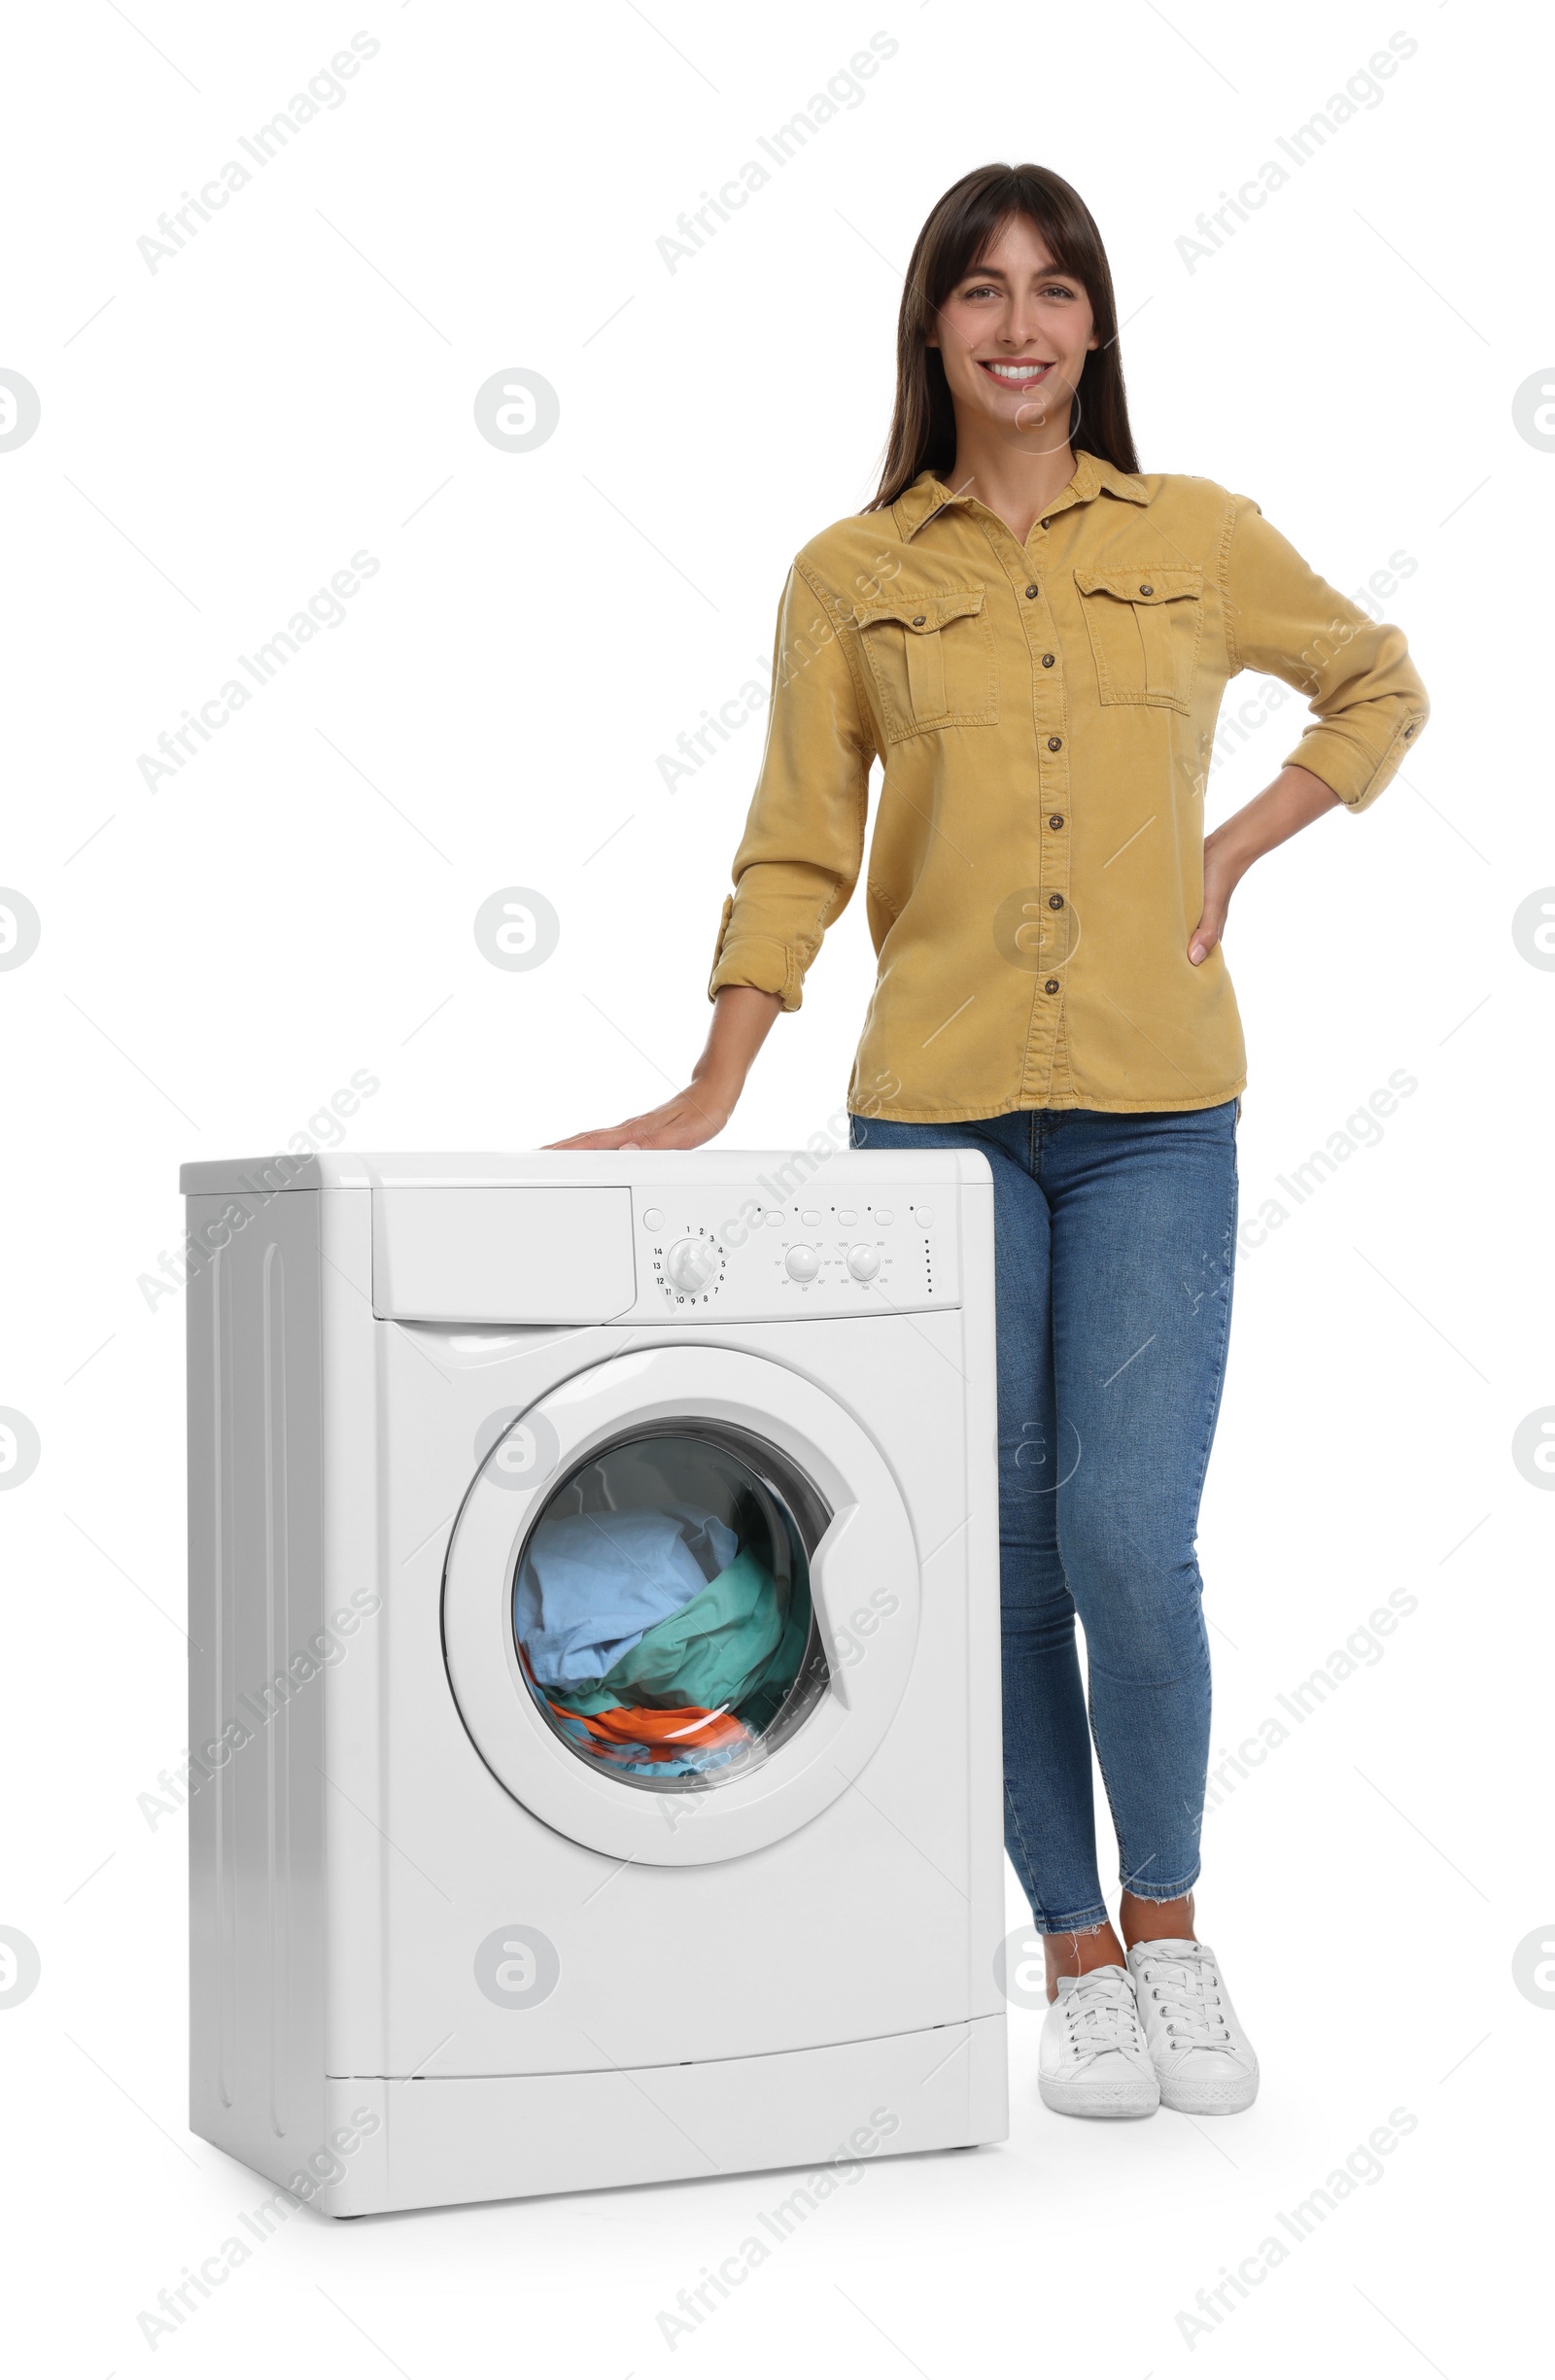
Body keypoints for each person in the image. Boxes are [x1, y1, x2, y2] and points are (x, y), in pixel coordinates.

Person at [557, 162, 1429, 2120]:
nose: (1017, 325)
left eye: (1051, 291)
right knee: (1003, 1554)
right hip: (932, 1124)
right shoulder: (848, 576)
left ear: (1093, 328)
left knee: (1130, 1538)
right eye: (978, 290)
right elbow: (795, 840)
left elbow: (1376, 683)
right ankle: (1070, 1951)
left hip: (1153, 1120)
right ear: (931, 327)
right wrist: (712, 1081)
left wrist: (1236, 837)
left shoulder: (1198, 539)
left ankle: (1174, 1926)